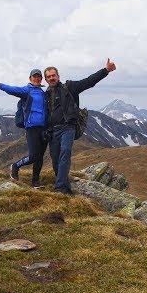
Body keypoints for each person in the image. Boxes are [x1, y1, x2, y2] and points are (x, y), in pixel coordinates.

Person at [44, 58, 117, 194]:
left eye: (53, 75)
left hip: (68, 128)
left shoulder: (69, 87)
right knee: (55, 160)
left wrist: (105, 70)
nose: (51, 78)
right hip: (53, 131)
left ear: (58, 76)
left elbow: (88, 82)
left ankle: (60, 188)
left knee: (65, 154)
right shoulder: (46, 95)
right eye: (48, 77)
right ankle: (65, 186)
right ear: (46, 80)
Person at [0, 69, 47, 188]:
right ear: (30, 78)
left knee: (40, 157)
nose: (36, 79)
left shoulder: (43, 92)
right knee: (33, 156)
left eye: (38, 77)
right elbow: (12, 89)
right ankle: (15, 166)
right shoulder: (26, 90)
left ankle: (35, 182)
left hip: (44, 128)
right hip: (32, 128)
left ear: (41, 79)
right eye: (34, 77)